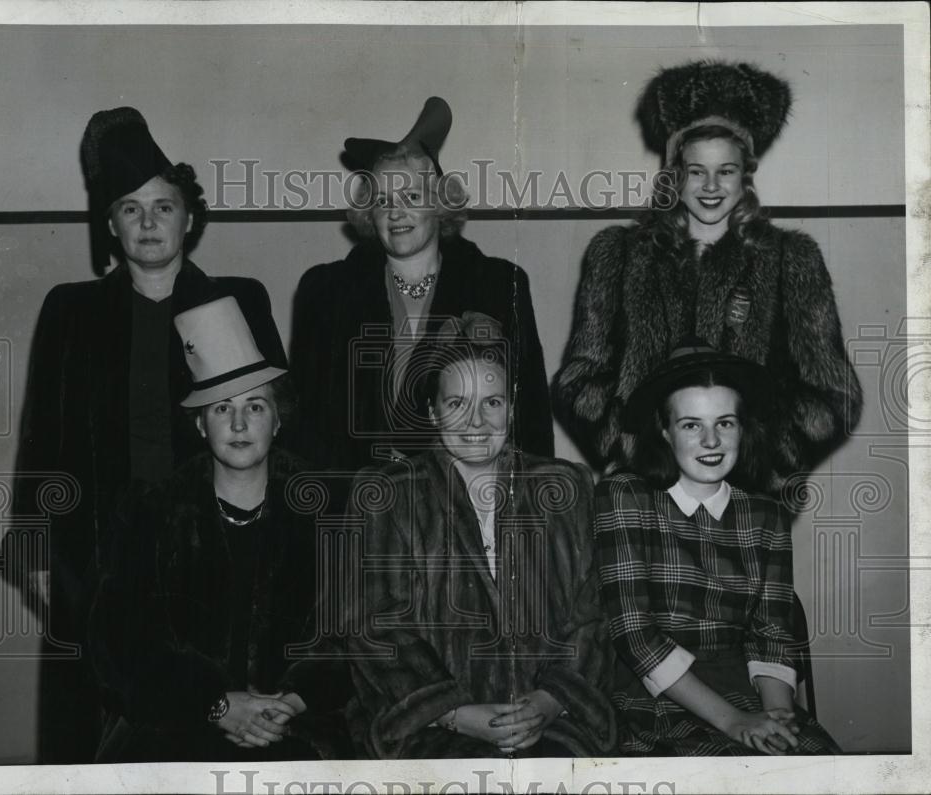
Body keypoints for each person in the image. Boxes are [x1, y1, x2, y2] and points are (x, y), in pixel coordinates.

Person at [0, 107, 287, 762]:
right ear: (110, 223)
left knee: (205, 732)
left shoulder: (236, 300)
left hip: (211, 562)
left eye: (163, 206)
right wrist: (38, 550)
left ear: (190, 217)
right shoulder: (71, 310)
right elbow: (42, 441)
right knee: (97, 748)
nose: (149, 223)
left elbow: (271, 436)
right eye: (131, 209)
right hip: (93, 566)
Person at [554, 61, 861, 490]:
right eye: (697, 171)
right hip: (646, 494)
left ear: (745, 176)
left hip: (749, 502)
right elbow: (578, 379)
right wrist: (630, 450)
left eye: (726, 171)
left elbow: (834, 393)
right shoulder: (617, 255)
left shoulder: (792, 258)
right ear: (676, 176)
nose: (711, 186)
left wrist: (766, 462)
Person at [345, 312, 616, 759]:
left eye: (491, 402)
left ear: (511, 407)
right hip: (431, 728)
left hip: (552, 723)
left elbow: (594, 614)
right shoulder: (387, 495)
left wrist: (551, 700)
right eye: (456, 403)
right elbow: (375, 625)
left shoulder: (566, 487)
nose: (476, 421)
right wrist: (455, 712)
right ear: (432, 411)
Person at [89, 297, 349, 761]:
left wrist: (290, 702)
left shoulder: (331, 508)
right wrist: (215, 704)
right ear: (199, 424)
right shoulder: (151, 511)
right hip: (176, 727)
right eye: (221, 409)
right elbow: (121, 642)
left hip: (300, 725)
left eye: (255, 406)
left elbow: (358, 631)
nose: (239, 423)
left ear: (278, 419)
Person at [594, 340, 841, 756]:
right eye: (691, 425)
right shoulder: (623, 495)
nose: (711, 440)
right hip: (654, 697)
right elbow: (635, 635)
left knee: (814, 765)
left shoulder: (766, 514)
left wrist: (777, 719)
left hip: (747, 688)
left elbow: (772, 635)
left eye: (724, 423)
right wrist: (734, 721)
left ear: (743, 428)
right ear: (664, 430)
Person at [290, 97, 553, 474]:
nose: (396, 212)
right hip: (355, 506)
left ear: (440, 203)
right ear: (368, 213)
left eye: (411, 196)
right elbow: (304, 425)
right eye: (383, 200)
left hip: (462, 504)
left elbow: (530, 416)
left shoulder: (497, 284)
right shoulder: (325, 291)